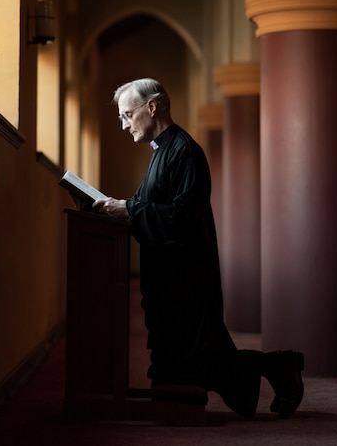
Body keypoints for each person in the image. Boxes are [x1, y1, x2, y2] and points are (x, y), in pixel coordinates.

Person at [92, 77, 304, 419]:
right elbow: (148, 204)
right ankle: (268, 371)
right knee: (185, 361)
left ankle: (279, 365)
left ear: (152, 106)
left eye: (127, 114)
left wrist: (129, 209)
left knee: (191, 362)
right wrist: (120, 207)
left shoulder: (184, 150)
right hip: (168, 277)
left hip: (186, 278)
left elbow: (183, 217)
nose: (123, 124)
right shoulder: (161, 151)